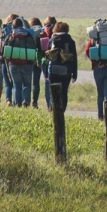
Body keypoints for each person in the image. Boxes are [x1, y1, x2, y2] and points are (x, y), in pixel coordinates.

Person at [44, 21, 79, 161]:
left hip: (53, 71)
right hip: (66, 71)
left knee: (53, 92)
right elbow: (74, 58)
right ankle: (62, 110)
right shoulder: (70, 40)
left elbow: (46, 57)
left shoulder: (51, 39)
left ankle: (53, 108)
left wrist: (45, 72)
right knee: (64, 92)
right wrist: (74, 74)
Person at [28, 17, 46, 108]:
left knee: (27, 82)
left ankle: (26, 100)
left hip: (29, 59)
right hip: (39, 60)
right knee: (36, 82)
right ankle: (35, 101)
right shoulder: (42, 33)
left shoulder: (29, 32)